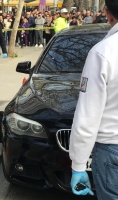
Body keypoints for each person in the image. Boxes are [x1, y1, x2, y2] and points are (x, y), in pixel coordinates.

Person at [69, 0, 118, 199]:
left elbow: (88, 116)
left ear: (107, 14)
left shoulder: (103, 52)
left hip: (112, 150)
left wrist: (78, 165)